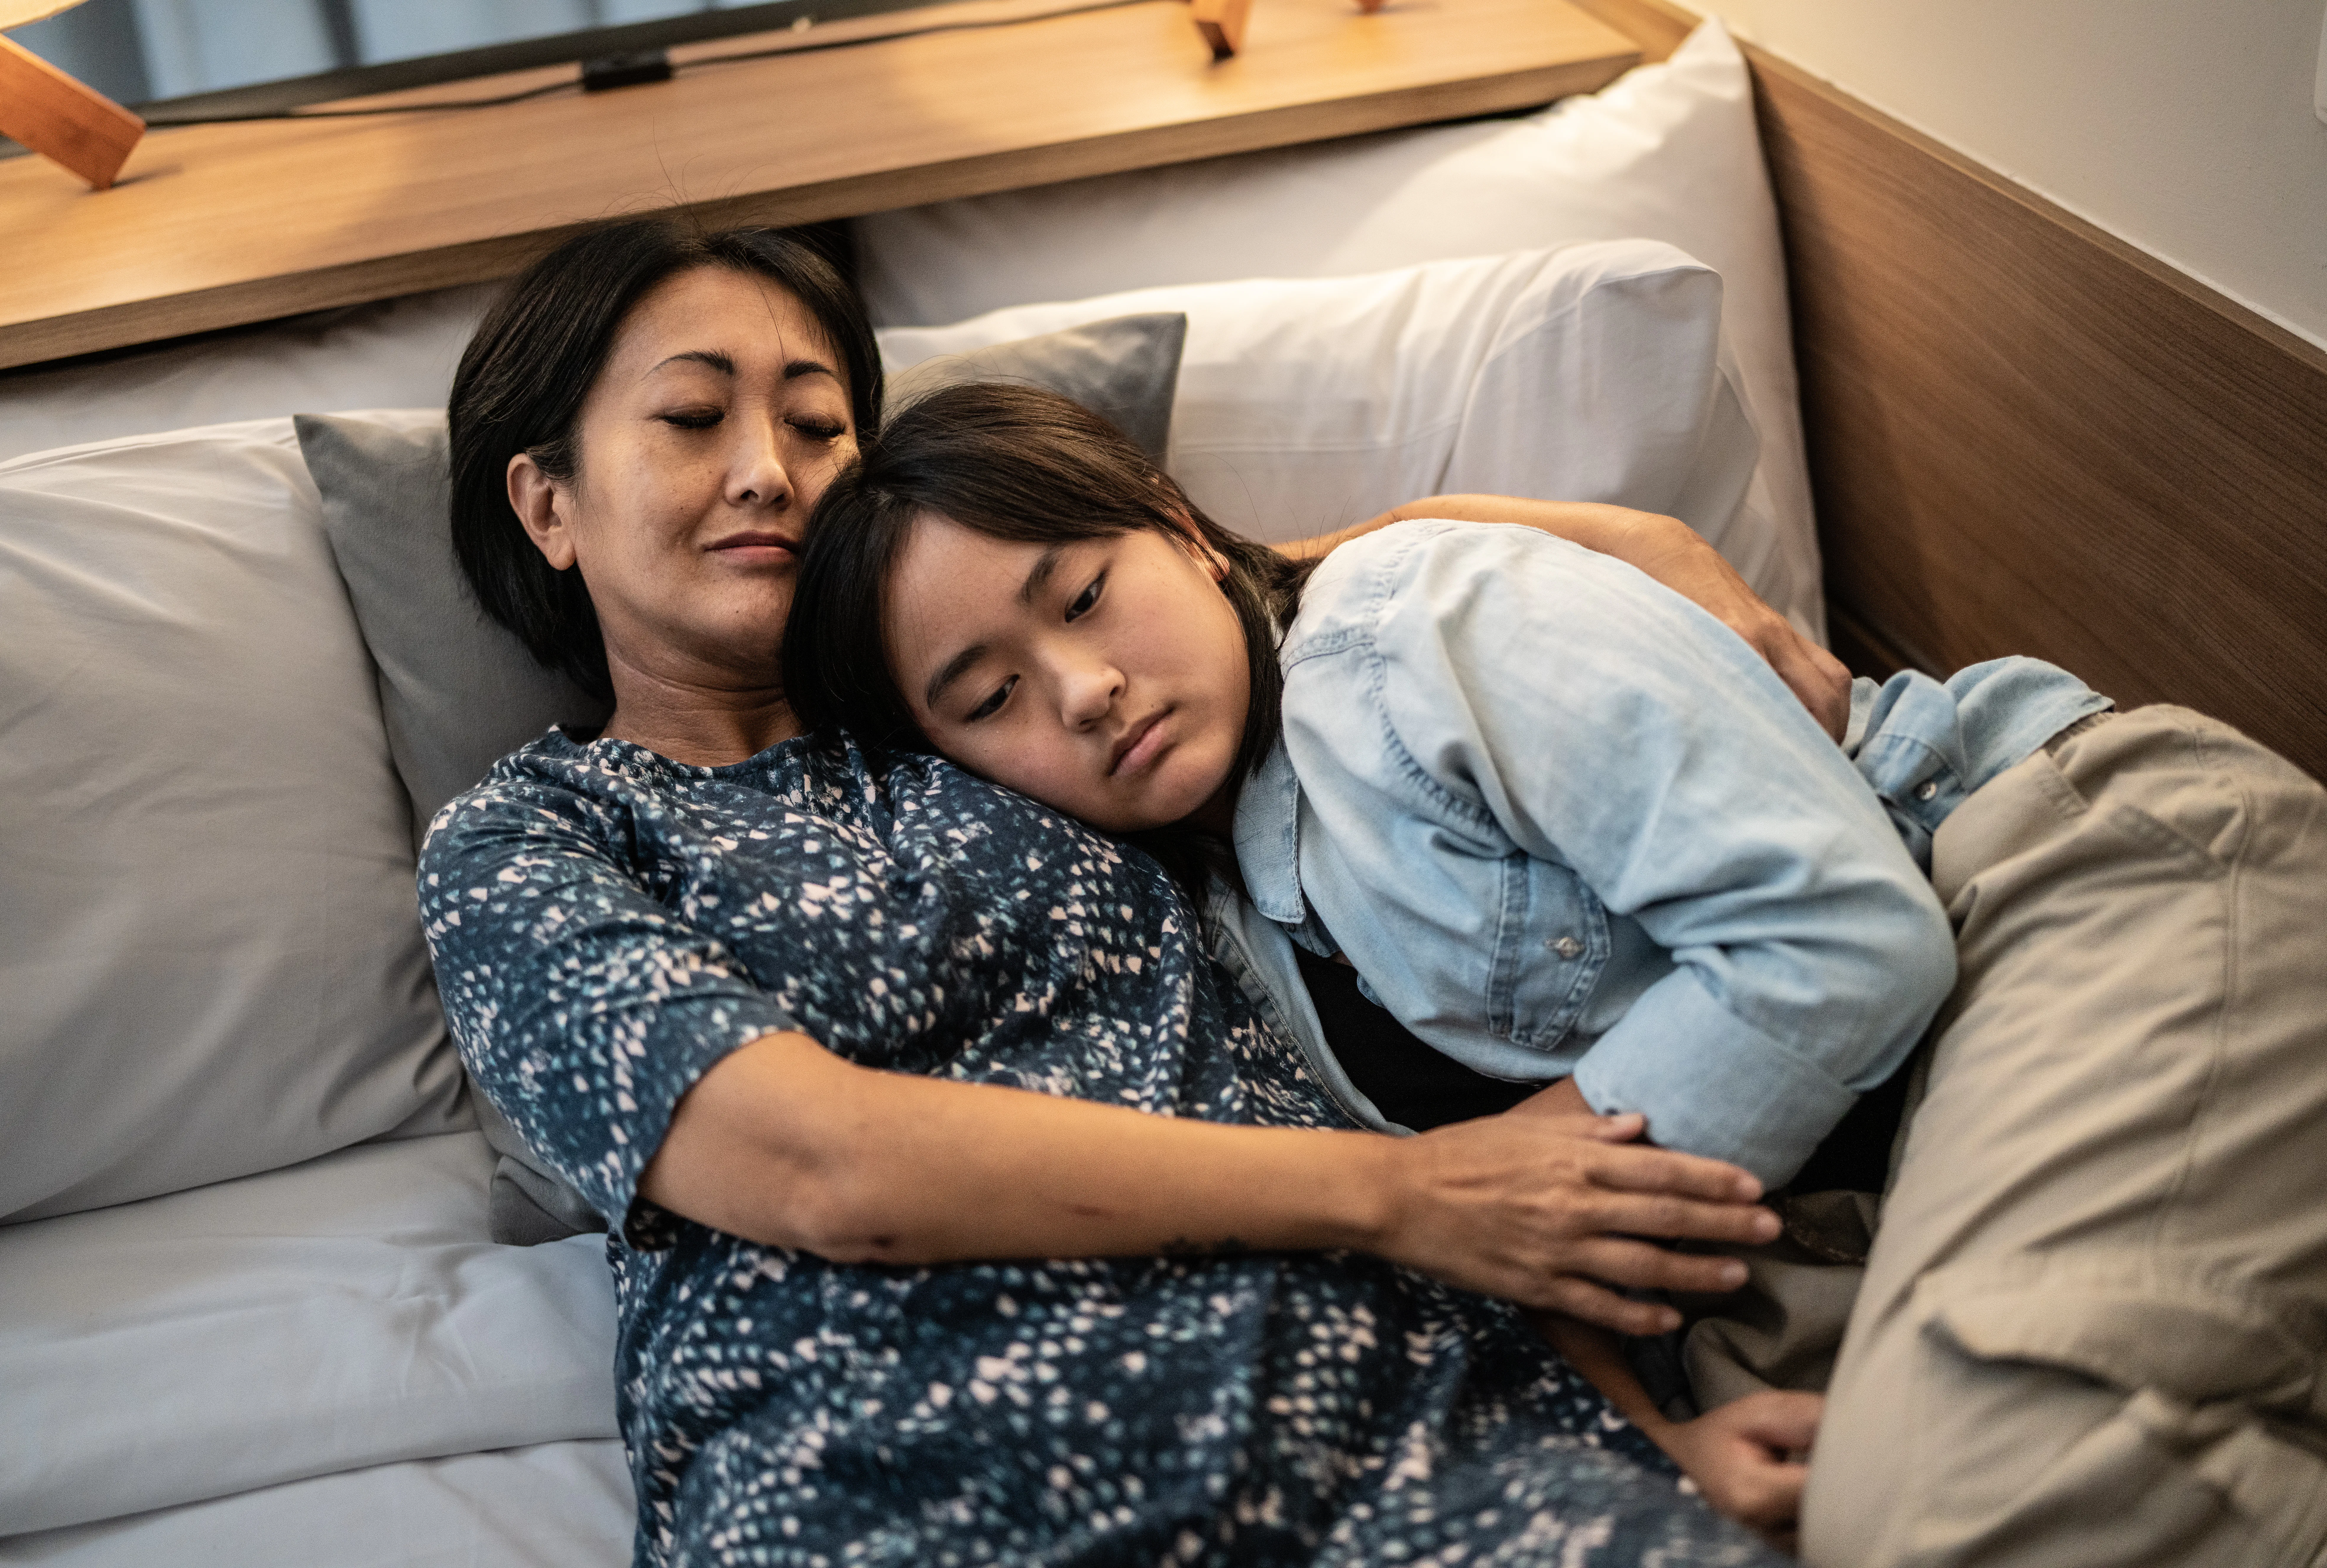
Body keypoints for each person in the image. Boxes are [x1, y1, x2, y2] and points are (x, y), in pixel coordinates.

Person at [422, 213, 1858, 1565]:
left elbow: (1212, 573)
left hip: (1404, 1428)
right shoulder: (531, 842)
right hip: (903, 1476)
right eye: (693, 418)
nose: (769, 473)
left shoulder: (1006, 716)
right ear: (548, 504)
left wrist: (1643, 1438)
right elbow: (822, 1167)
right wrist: (1400, 1194)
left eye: (816, 425)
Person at [781, 381, 2327, 1568]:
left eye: (1085, 594)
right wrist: (1665, 1433)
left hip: (2057, 889)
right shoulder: (1214, 925)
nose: (1085, 685)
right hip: (1855, 1180)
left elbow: (1843, 940)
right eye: (993, 699)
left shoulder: (1415, 636)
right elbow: (1476, 1234)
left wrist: (1516, 1179)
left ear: (1182, 531)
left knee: (1972, 1493)